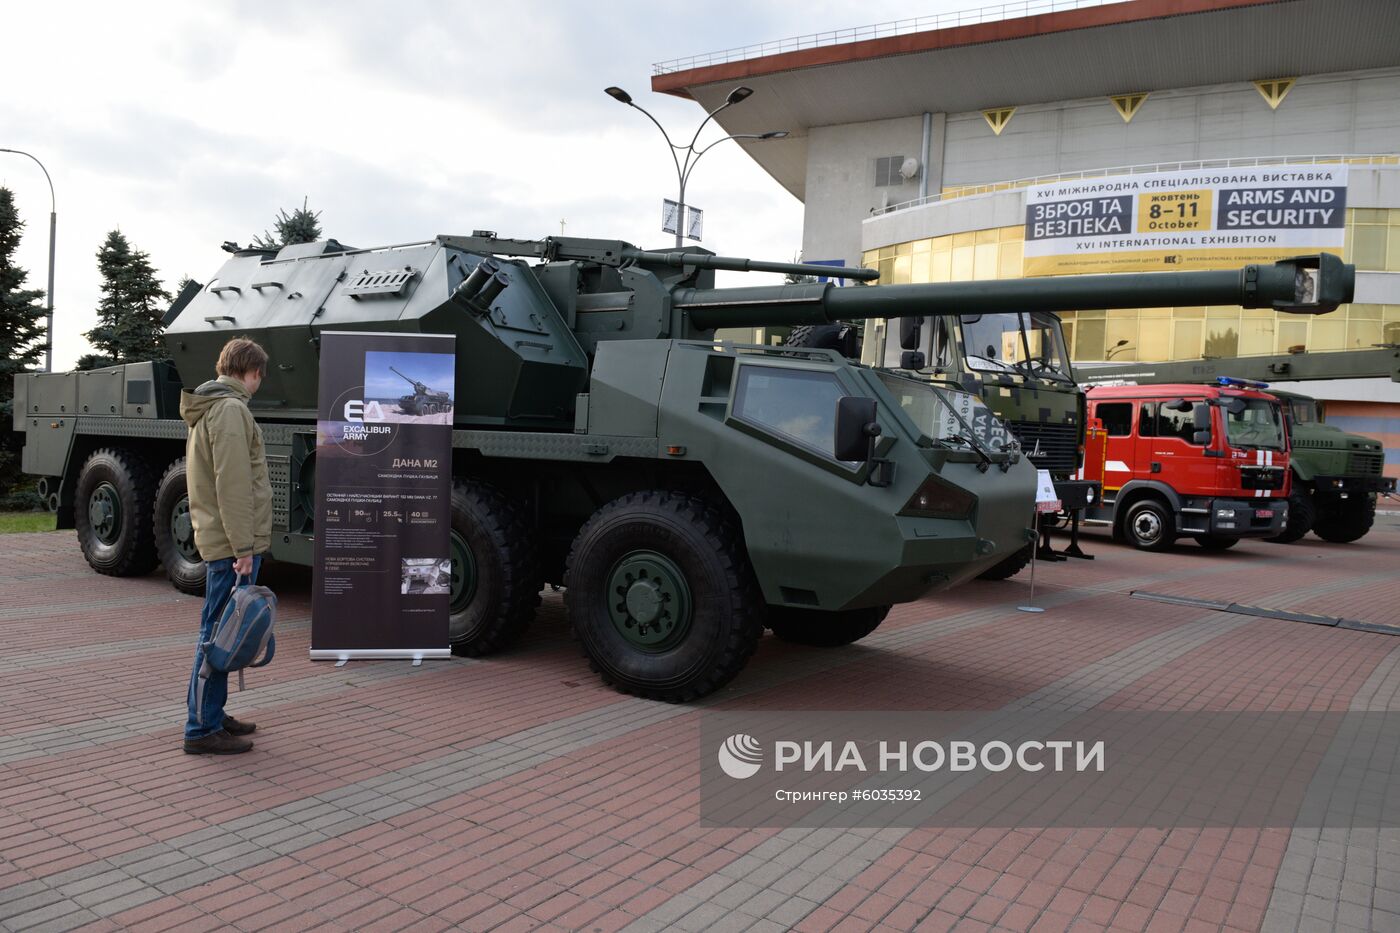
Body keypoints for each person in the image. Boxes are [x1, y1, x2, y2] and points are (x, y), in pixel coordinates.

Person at [181, 337, 273, 754]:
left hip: (221, 541)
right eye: (259, 376)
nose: (259, 383)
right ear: (251, 372)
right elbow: (233, 486)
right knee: (218, 635)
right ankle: (201, 729)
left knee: (222, 632)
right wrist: (243, 548)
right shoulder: (231, 409)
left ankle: (212, 714)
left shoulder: (212, 405)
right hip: (230, 546)